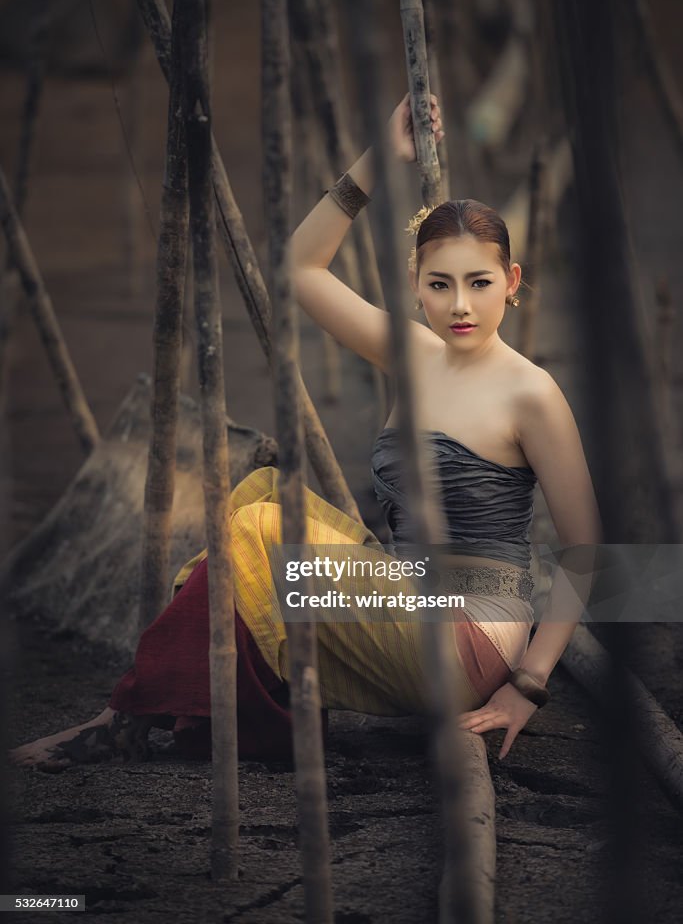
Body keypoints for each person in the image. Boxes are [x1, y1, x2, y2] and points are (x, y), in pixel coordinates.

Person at [10, 94, 602, 772]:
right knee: (255, 498)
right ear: (415, 285)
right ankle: (179, 712)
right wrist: (381, 157)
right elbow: (295, 271)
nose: (460, 305)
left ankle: (126, 718)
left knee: (260, 529)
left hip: (467, 636)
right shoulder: (411, 354)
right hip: (401, 596)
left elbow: (585, 549)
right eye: (440, 284)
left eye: (479, 282)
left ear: (512, 282)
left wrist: (527, 687)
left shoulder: (532, 393)